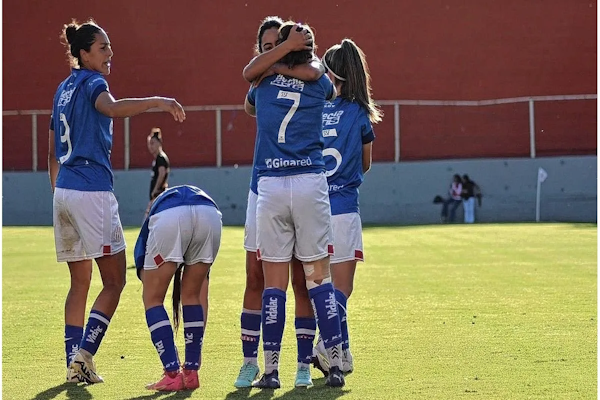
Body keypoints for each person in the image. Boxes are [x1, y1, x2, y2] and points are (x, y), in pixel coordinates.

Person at [48, 19, 185, 384]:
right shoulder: (94, 82)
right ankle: (83, 358)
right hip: (91, 190)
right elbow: (110, 107)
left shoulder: (62, 88)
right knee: (114, 281)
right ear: (84, 53)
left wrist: (61, 196)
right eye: (103, 48)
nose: (111, 54)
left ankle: (72, 363)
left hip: (64, 190)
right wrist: (158, 101)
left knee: (79, 283)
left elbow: (51, 152)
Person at [245, 21, 345, 388]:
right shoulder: (319, 83)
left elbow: (249, 79)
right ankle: (334, 363)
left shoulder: (263, 83)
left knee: (274, 285)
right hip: (309, 182)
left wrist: (275, 60)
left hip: (270, 184)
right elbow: (325, 80)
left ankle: (270, 371)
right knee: (319, 278)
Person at [311, 38, 382, 378]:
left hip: (313, 209)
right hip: (343, 208)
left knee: (321, 287)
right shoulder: (359, 114)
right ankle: (325, 347)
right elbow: (365, 165)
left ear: (332, 74)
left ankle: (343, 355)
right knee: (341, 290)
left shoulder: (315, 110)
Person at [134, 185, 221, 391]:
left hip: (169, 216)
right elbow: (202, 296)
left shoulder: (152, 217)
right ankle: (191, 373)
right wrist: (195, 350)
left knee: (153, 299)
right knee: (191, 296)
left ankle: (171, 373)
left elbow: (146, 277)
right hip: (210, 214)